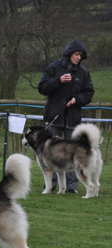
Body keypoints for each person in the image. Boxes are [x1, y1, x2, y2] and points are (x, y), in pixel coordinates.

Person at [38, 40, 95, 193]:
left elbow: (89, 93)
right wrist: (58, 80)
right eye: (76, 54)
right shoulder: (53, 68)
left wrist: (77, 100)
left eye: (81, 56)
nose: (78, 58)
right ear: (69, 54)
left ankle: (71, 187)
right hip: (54, 116)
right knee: (50, 152)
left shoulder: (83, 72)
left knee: (73, 152)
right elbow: (42, 87)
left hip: (72, 117)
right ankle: (51, 185)